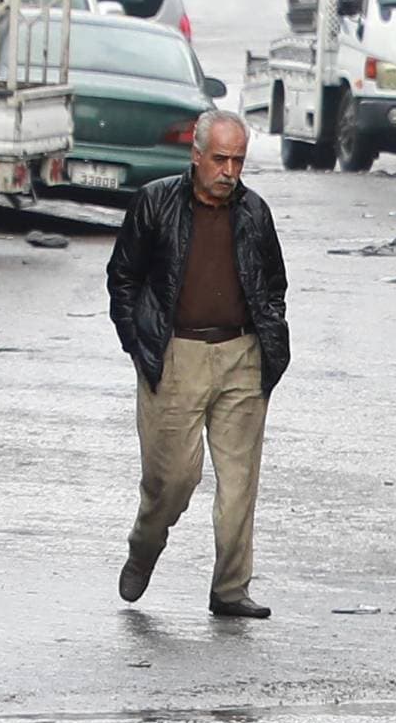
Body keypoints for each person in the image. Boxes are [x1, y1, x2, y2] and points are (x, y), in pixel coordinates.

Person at [106, 110, 291, 620]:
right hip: (176, 355)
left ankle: (230, 589)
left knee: (239, 482)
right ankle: (144, 548)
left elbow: (273, 284)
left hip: (241, 355)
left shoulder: (254, 212)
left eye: (238, 160)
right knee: (174, 481)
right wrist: (137, 341)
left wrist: (267, 339)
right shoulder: (155, 202)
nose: (229, 171)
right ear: (196, 153)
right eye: (220, 159)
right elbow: (123, 278)